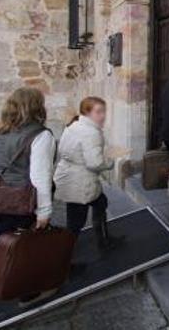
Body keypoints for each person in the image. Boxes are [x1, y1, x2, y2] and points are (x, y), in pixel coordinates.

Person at [0, 87, 56, 330]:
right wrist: (44, 211)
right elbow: (40, 178)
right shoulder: (40, 135)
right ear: (37, 106)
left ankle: (28, 291)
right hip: (18, 206)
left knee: (16, 251)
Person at [53, 96, 121, 248]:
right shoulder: (91, 132)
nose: (103, 115)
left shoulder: (72, 126)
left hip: (69, 177)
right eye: (98, 112)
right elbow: (94, 163)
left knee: (100, 203)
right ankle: (65, 258)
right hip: (81, 182)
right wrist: (110, 160)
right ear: (87, 112)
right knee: (76, 223)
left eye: (104, 111)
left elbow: (62, 150)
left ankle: (103, 240)